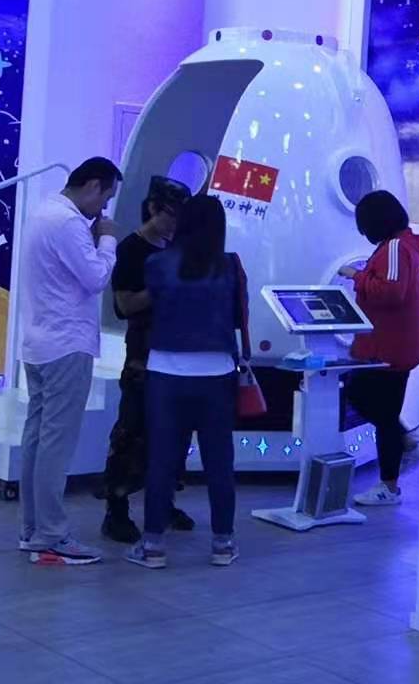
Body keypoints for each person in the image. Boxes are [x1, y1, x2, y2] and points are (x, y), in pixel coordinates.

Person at [123, 194, 250, 570]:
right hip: (217, 374)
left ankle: (153, 545)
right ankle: (223, 543)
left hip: (166, 372)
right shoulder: (230, 266)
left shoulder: (157, 263)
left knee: (162, 459)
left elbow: (149, 307)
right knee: (219, 462)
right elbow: (237, 316)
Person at [17, 157, 121, 565]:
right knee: (55, 445)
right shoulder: (68, 222)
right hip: (66, 345)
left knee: (37, 439)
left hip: (40, 342)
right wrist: (107, 241)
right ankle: (51, 533)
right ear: (93, 186)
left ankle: (33, 528)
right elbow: (96, 278)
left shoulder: (44, 212)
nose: (103, 210)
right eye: (105, 198)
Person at [101, 176, 193, 544]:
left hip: (177, 352)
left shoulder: (179, 248)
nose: (175, 223)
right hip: (143, 354)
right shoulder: (130, 250)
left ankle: (164, 502)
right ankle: (116, 510)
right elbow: (124, 304)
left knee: (174, 432)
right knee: (131, 431)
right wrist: (164, 288)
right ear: (153, 208)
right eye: (171, 215)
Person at [338, 190, 419, 507]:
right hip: (401, 345)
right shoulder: (407, 246)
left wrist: (357, 276)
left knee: (370, 404)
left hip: (389, 348)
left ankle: (392, 477)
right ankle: (395, 468)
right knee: (383, 412)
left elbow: (390, 292)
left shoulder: (394, 248)